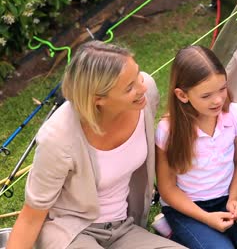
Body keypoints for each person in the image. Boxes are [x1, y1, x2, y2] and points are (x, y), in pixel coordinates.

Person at [7, 40, 185, 249]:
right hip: (69, 231)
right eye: (129, 87)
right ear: (98, 100)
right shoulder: (58, 137)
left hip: (123, 228)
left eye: (137, 74)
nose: (142, 86)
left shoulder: (146, 95)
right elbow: (30, 218)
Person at [155, 45, 237, 249]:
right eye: (206, 96)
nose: (218, 100)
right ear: (182, 95)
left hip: (227, 198)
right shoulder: (168, 131)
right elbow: (167, 188)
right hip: (187, 209)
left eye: (222, 89)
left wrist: (235, 200)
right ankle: (174, 233)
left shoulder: (235, 115)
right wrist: (206, 218)